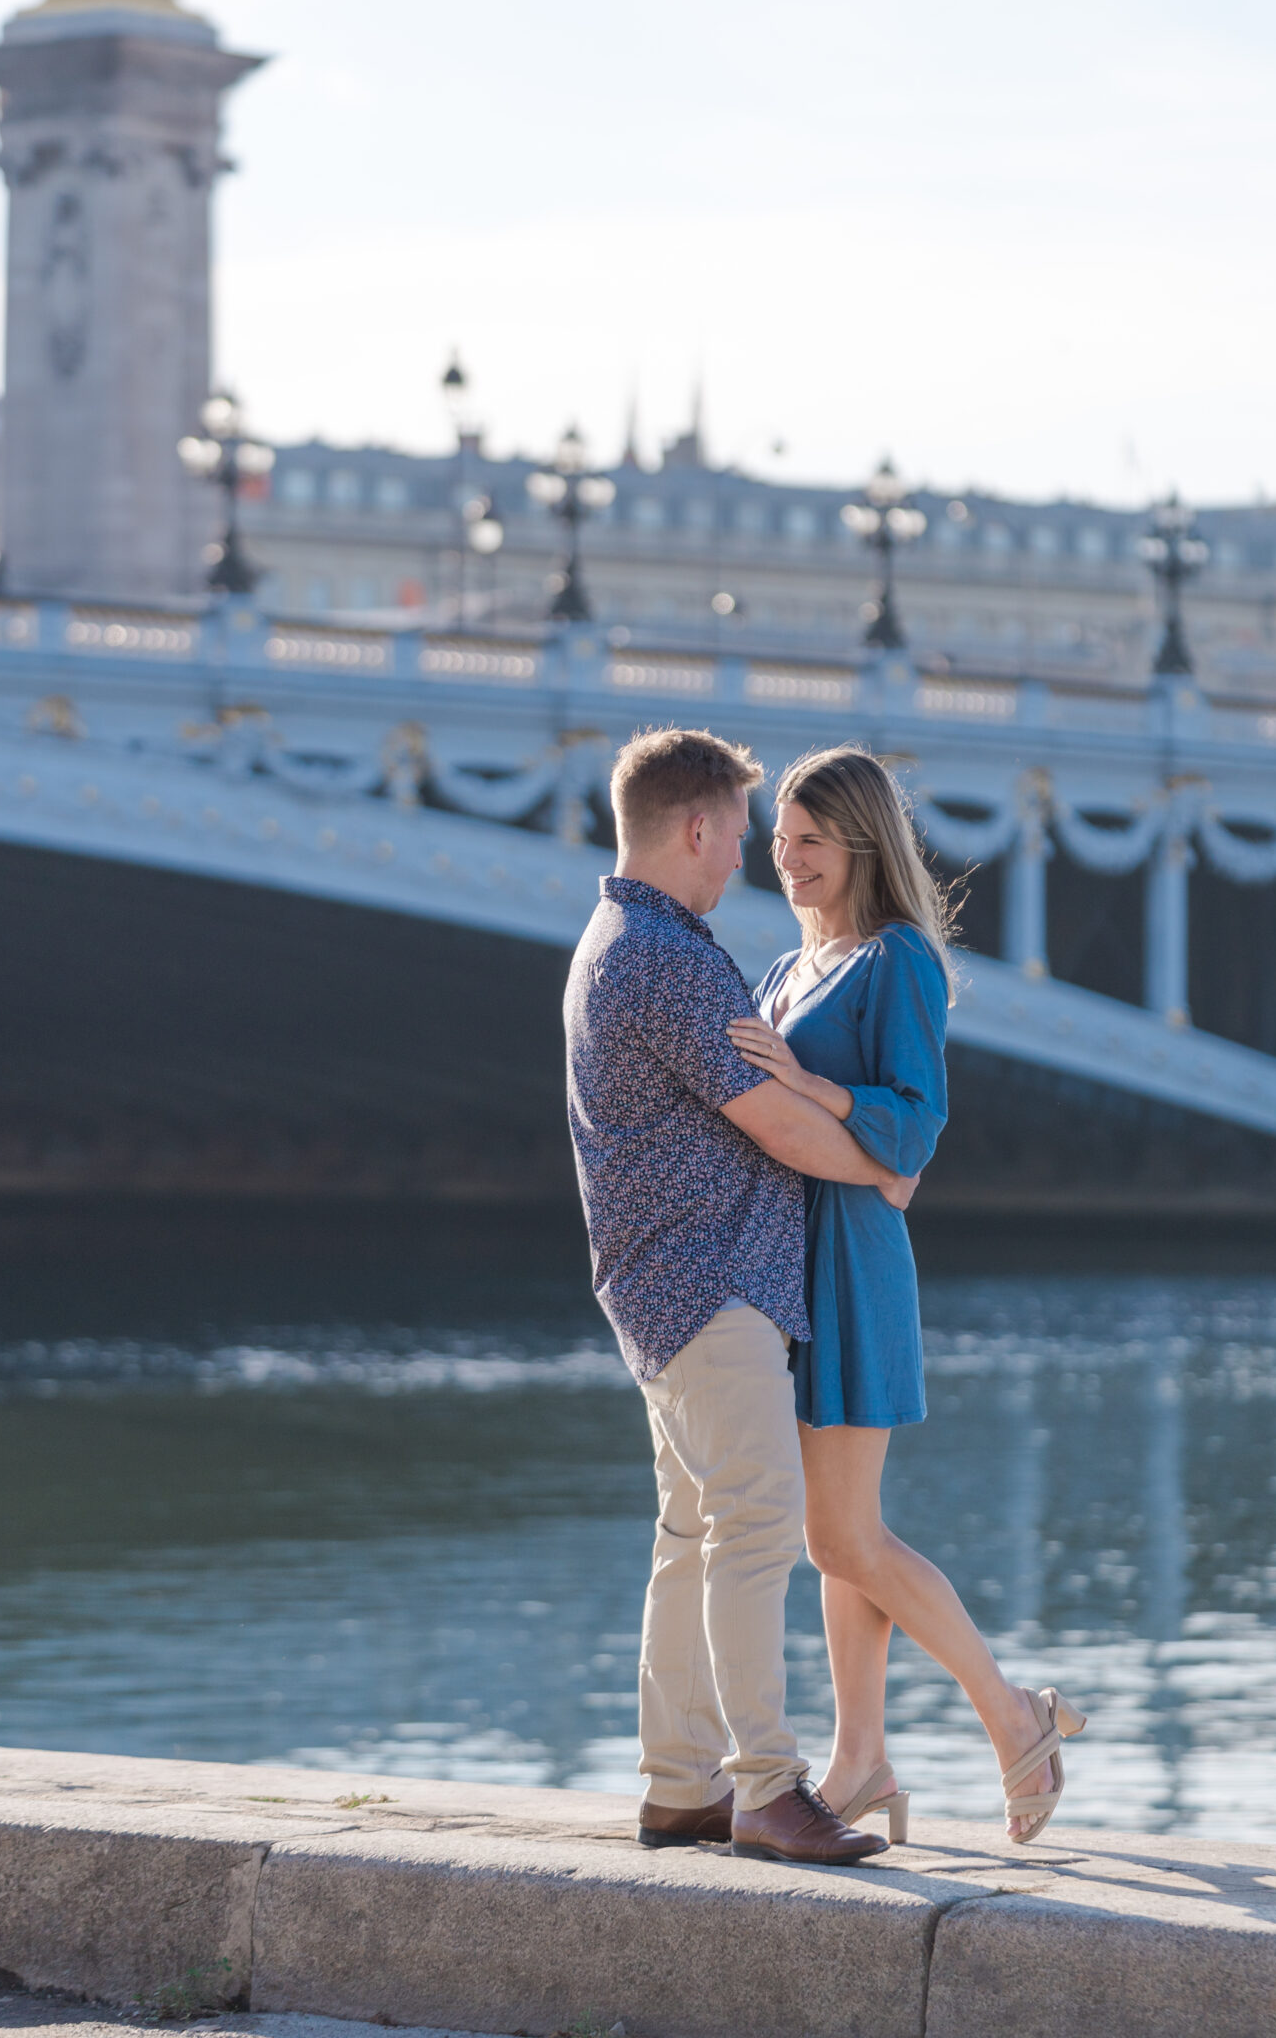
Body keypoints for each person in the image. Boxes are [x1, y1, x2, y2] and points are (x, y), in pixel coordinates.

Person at [564, 725, 914, 1867]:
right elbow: (770, 1122)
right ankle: (767, 1786)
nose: (748, 866)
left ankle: (679, 1785)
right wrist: (887, 1166)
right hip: (709, 1283)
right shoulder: (664, 955)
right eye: (739, 840)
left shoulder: (619, 939)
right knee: (757, 1527)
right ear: (697, 828)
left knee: (691, 1531)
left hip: (665, 1286)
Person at [727, 745, 1086, 1848]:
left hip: (854, 1262)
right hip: (789, 1258)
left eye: (811, 843)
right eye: (780, 841)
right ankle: (861, 1759)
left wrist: (804, 1083)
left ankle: (1009, 1713)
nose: (787, 861)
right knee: (837, 1533)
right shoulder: (786, 970)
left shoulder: (899, 962)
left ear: (864, 843)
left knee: (842, 1537)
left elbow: (912, 1132)